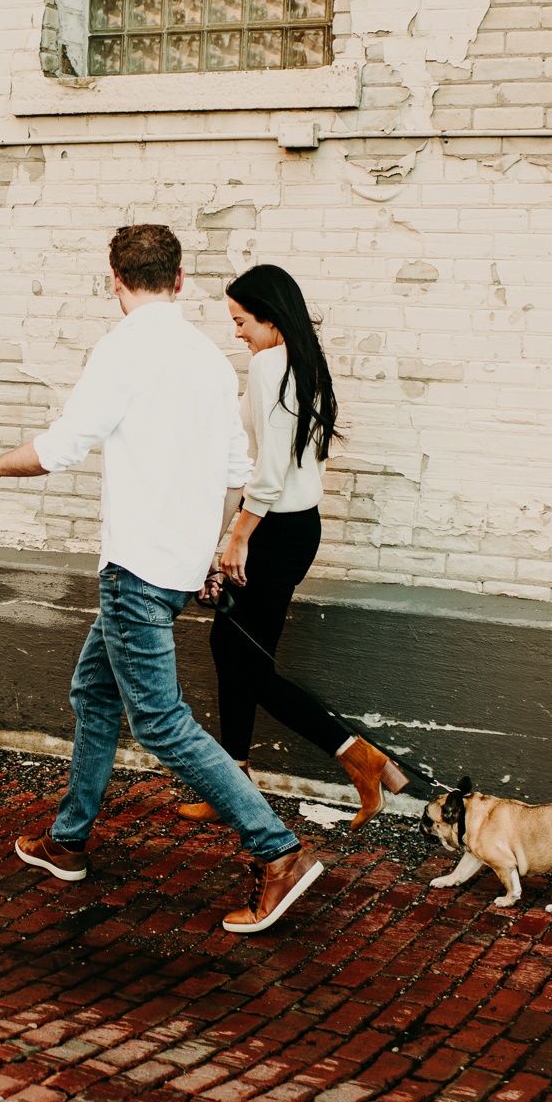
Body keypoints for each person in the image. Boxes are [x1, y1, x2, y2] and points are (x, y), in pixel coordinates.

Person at [0, 225, 324, 935]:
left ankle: (276, 850)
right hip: (179, 565)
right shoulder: (213, 362)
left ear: (116, 282)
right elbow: (234, 470)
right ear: (181, 280)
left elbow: (61, 448)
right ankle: (68, 840)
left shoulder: (121, 349)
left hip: (135, 568)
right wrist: (215, 552)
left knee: (160, 720)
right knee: (94, 690)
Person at [186, 264, 410, 829]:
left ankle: (361, 757)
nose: (237, 333)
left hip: (273, 530)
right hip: (295, 527)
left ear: (269, 316)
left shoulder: (269, 365)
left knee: (249, 664)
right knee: (233, 652)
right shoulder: (306, 364)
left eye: (241, 321)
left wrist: (237, 535)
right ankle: (231, 781)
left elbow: (271, 467)